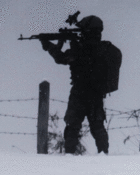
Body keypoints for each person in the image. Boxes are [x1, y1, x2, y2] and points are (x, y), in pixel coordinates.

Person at [41, 15, 110, 154]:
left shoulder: (80, 49)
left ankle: (70, 155)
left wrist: (48, 45)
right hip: (96, 94)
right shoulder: (103, 49)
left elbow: (61, 58)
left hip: (79, 92)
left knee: (72, 125)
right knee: (97, 126)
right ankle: (104, 154)